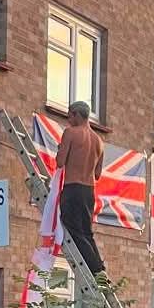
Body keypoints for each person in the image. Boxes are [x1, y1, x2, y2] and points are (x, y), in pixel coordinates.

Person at [55, 101, 106, 277]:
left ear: (77, 114)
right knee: (86, 232)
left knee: (73, 229)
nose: (68, 119)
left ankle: (96, 270)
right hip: (89, 191)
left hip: (73, 188)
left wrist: (60, 150)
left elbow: (60, 162)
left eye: (69, 115)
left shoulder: (70, 133)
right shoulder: (99, 141)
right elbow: (98, 174)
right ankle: (100, 270)